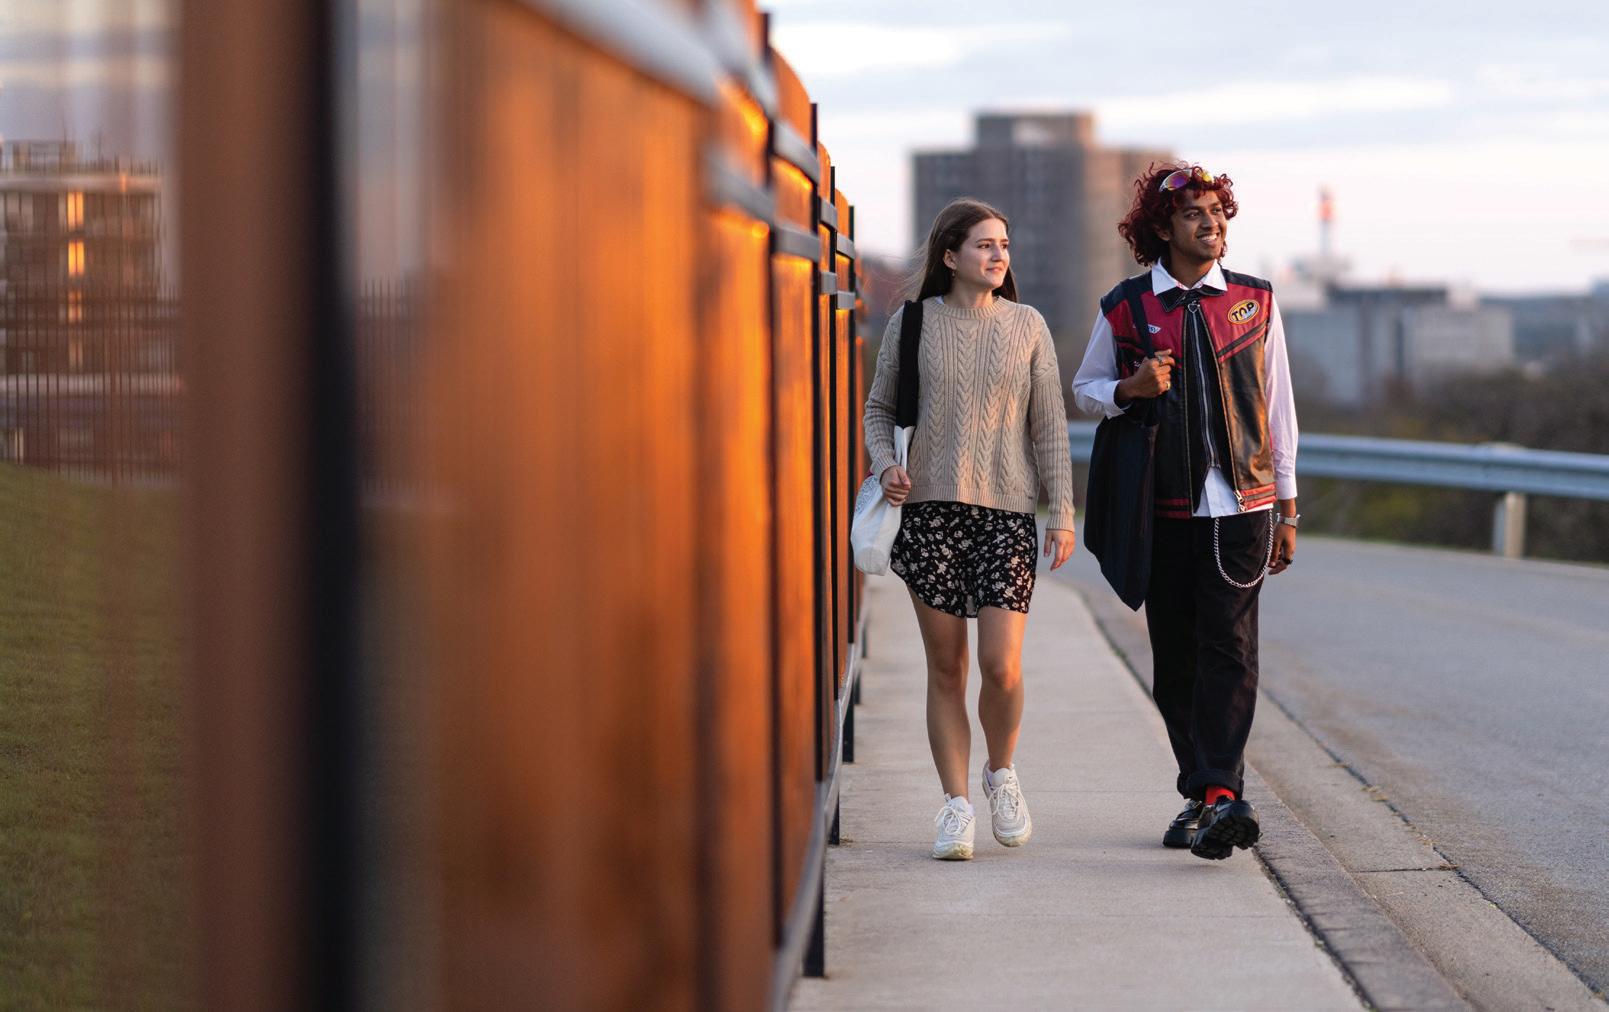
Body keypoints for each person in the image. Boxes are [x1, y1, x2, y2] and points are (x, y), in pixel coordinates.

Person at [1071, 163, 1299, 860]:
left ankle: (1220, 792)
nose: (1212, 224)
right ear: (1163, 227)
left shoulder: (1255, 300)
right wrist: (1129, 388)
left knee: (1229, 649)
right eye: (1195, 214)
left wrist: (1287, 508)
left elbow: (1278, 408)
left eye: (1218, 212)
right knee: (1174, 658)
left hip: (1242, 504)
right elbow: (1086, 387)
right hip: (1161, 506)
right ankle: (1204, 797)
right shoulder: (1125, 306)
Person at [864, 197, 1076, 861]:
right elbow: (877, 409)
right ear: (950, 256)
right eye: (985, 245)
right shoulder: (911, 323)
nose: (998, 255)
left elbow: (1049, 427)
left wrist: (1061, 513)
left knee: (1000, 667)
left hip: (1006, 516)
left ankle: (1000, 773)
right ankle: (955, 806)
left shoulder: (1027, 325)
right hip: (928, 513)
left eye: (1003, 245)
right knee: (947, 668)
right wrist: (884, 465)